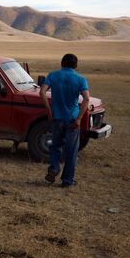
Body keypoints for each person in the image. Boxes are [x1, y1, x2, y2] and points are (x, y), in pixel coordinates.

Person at [39, 53, 90, 188]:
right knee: (71, 151)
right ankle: (67, 180)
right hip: (72, 120)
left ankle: (54, 169)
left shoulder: (53, 75)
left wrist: (49, 111)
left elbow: (42, 92)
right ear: (76, 65)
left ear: (62, 63)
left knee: (55, 146)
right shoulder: (81, 79)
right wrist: (79, 118)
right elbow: (86, 98)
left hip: (57, 118)